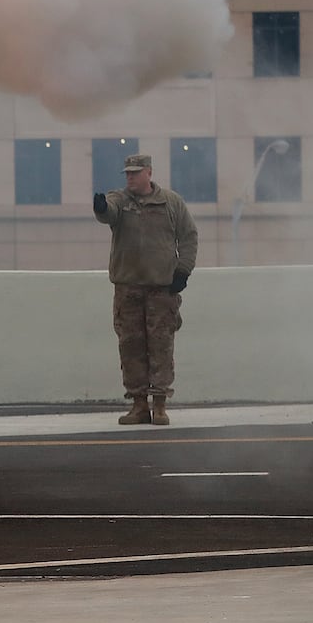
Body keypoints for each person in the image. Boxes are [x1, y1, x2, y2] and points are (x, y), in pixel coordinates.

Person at [93, 153, 198, 426]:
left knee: (161, 346)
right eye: (127, 172)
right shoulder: (120, 200)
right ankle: (139, 405)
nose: (130, 177)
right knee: (131, 348)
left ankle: (160, 405)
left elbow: (188, 237)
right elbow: (109, 213)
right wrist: (101, 207)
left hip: (161, 290)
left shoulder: (170, 202)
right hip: (128, 290)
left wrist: (183, 271)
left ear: (149, 173)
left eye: (135, 172)